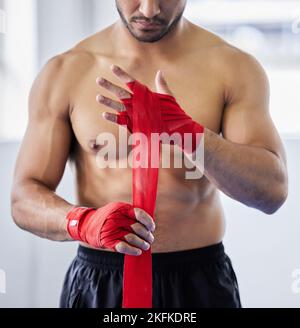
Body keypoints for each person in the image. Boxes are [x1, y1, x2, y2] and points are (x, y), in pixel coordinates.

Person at [11, 0, 288, 308]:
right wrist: (82, 222)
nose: (149, 10)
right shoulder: (66, 71)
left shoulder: (232, 68)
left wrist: (191, 135)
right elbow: (24, 196)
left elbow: (271, 192)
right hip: (101, 279)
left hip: (198, 281)